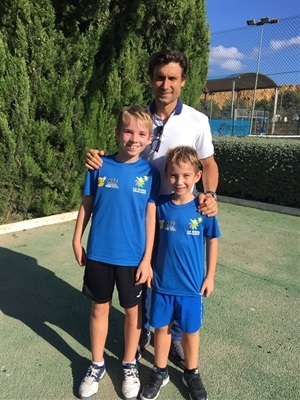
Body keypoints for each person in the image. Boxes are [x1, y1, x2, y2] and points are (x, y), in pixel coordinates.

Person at [84, 49, 219, 369]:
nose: (165, 84)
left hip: (179, 210)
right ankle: (146, 329)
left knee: (176, 273)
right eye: (160, 77)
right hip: (140, 216)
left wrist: (210, 193)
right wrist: (96, 157)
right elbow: (123, 154)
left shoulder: (198, 121)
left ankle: (172, 335)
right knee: (146, 276)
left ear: (183, 82)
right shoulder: (140, 119)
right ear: (151, 80)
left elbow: (209, 165)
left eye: (172, 78)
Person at [72, 105, 160, 400]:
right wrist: (76, 239)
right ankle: (96, 364)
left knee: (133, 313)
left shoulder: (150, 173)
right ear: (117, 133)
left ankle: (129, 364)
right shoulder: (99, 165)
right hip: (99, 253)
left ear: (149, 139)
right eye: (128, 131)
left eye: (141, 134)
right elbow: (86, 203)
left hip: (133, 258)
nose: (134, 138)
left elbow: (150, 219)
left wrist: (147, 259)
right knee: (99, 308)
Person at [140, 146, 220, 400]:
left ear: (197, 176)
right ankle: (160, 370)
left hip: (191, 287)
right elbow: (150, 237)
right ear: (166, 175)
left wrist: (210, 276)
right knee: (161, 330)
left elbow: (213, 241)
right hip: (162, 285)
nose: (179, 181)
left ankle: (192, 373)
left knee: (190, 332)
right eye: (173, 175)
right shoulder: (160, 206)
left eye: (186, 176)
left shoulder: (203, 209)